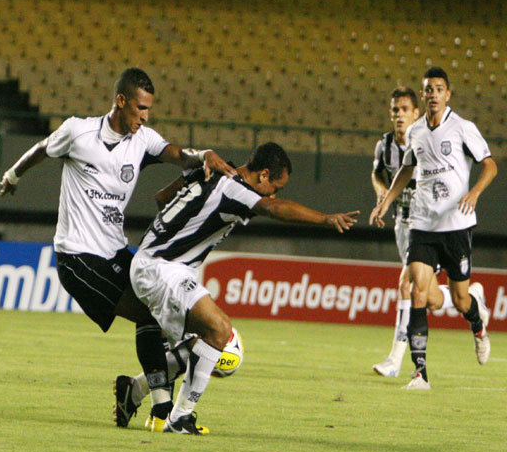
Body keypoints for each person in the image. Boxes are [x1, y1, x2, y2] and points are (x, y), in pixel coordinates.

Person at [0, 67, 236, 430]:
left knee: (155, 309)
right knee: (150, 314)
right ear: (121, 101)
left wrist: (202, 154)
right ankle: (159, 407)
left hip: (115, 252)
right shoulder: (78, 131)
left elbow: (176, 154)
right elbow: (42, 149)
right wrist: (13, 175)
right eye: (140, 108)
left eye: (149, 110)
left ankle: (139, 394)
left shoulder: (142, 141)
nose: (144, 116)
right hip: (78, 257)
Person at [129, 142, 359, 434]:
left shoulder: (208, 172)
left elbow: (162, 197)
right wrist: (326, 219)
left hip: (154, 260)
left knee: (209, 341)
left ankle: (137, 391)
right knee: (221, 331)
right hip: (162, 269)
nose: (275, 193)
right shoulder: (235, 188)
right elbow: (272, 208)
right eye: (276, 185)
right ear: (263, 175)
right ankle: (179, 417)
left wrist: (184, 225)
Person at [370, 67, 498, 390]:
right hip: (422, 223)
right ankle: (420, 373)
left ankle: (477, 321)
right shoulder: (416, 132)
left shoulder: (462, 128)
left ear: (448, 94)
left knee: (459, 300)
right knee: (417, 291)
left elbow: (490, 165)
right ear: (424, 94)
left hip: (456, 225)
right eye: (428, 89)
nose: (433, 95)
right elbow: (406, 169)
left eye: (439, 89)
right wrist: (386, 201)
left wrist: (474, 192)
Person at [371, 87, 454, 378]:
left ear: (416, 113)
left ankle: (395, 359)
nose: (399, 115)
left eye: (405, 109)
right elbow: (378, 173)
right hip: (402, 224)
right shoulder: (385, 145)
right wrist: (382, 195)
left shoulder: (429, 141)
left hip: (429, 226)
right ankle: (471, 300)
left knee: (406, 284)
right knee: (429, 296)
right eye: (395, 110)